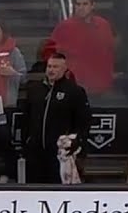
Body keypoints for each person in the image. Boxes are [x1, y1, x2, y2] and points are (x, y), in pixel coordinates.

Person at [20, 53, 90, 184]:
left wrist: (77, 141)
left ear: (65, 69)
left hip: (60, 153)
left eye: (56, 67)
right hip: (36, 152)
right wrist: (26, 141)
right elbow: (26, 117)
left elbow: (83, 121)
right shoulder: (35, 89)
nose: (51, 70)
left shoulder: (74, 91)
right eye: (49, 66)